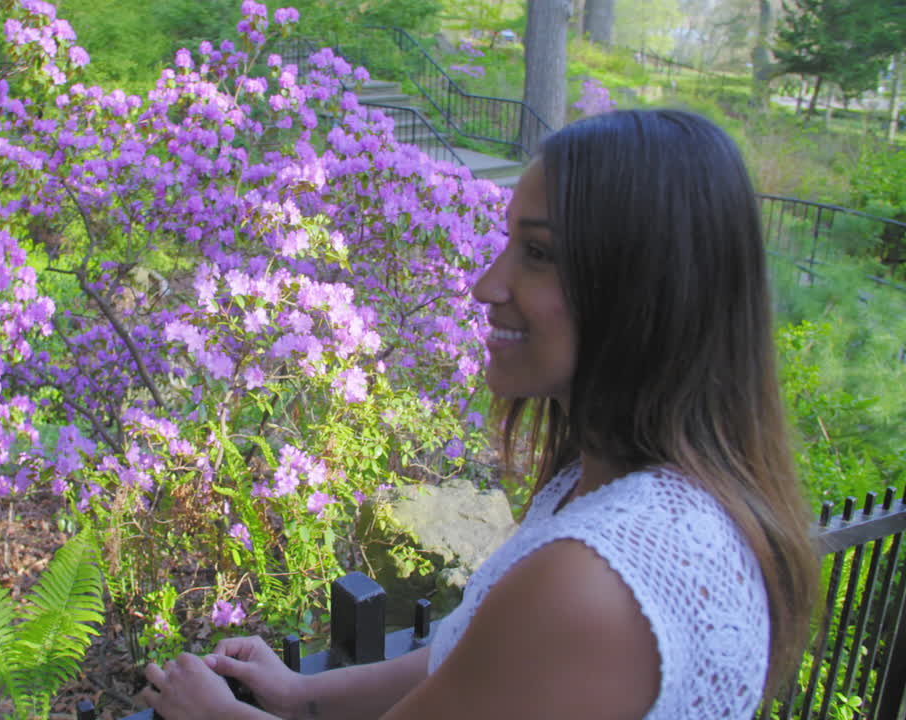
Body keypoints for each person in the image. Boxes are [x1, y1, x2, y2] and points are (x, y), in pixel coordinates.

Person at [140, 109, 820, 720]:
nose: (485, 283)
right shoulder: (678, 505)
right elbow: (478, 665)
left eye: (538, 254)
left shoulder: (591, 582)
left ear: (645, 289)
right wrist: (301, 694)